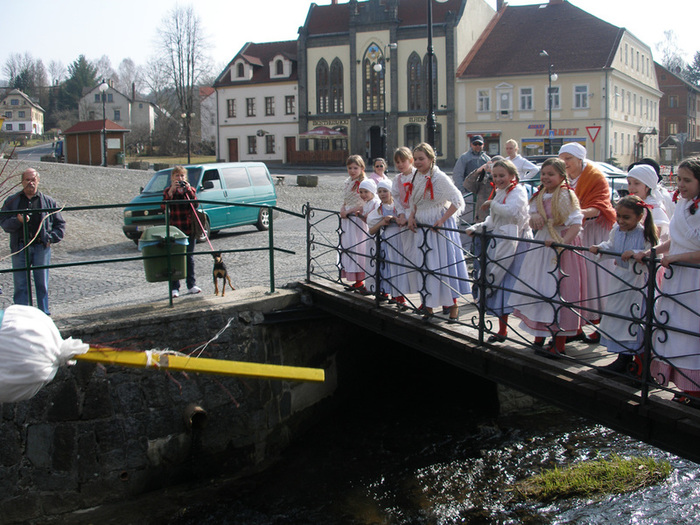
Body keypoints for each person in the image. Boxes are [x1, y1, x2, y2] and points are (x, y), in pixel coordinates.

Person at [634, 158, 700, 407]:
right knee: (674, 327)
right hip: (677, 277)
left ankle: (695, 388)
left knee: (691, 329)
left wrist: (676, 258)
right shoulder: (683, 204)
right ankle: (683, 384)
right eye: (679, 179)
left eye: (687, 180)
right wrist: (653, 252)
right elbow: (676, 238)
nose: (680, 185)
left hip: (694, 277)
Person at [508, 158, 587, 358]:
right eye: (543, 174)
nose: (545, 177)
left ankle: (559, 343)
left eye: (551, 174)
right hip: (543, 245)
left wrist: (563, 243)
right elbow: (531, 218)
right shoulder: (540, 195)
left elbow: (576, 224)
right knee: (540, 289)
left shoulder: (566, 196)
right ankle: (539, 336)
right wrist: (534, 217)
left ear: (561, 176)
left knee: (559, 291)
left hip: (560, 245)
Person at [589, 195, 657, 376]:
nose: (620, 221)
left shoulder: (644, 234)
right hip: (620, 279)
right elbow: (612, 246)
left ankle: (640, 363)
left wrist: (635, 253)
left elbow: (651, 254)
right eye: (618, 216)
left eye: (626, 217)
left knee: (634, 319)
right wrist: (600, 247)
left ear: (639, 217)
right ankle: (623, 357)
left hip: (637, 281)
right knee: (619, 317)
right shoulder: (616, 230)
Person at [466, 159, 532, 342]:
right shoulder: (501, 191)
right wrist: (478, 227)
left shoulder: (518, 191)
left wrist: (491, 204)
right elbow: (495, 220)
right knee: (500, 284)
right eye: (495, 176)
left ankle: (533, 332)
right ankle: (503, 330)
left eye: (502, 175)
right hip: (502, 241)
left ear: (512, 175)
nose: (498, 179)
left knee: (513, 286)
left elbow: (511, 212)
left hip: (516, 243)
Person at [558, 142, 616, 343]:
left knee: (596, 279)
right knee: (577, 279)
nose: (565, 163)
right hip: (574, 231)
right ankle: (575, 327)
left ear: (579, 159)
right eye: (562, 159)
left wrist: (575, 214)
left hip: (594, 231)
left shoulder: (594, 177)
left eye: (568, 159)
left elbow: (600, 206)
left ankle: (604, 326)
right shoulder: (563, 177)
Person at [407, 143, 470, 322]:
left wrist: (442, 220)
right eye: (415, 159)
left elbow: (457, 200)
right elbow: (414, 201)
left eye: (421, 159)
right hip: (422, 227)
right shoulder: (416, 176)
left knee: (443, 265)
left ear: (430, 159)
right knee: (425, 265)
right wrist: (411, 216)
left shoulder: (439, 177)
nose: (418, 162)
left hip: (437, 227)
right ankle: (428, 305)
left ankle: (452, 304)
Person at [0, 168, 66, 315]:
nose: (31, 183)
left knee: (42, 284)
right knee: (20, 284)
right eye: (27, 180)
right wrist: (17, 220)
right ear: (22, 182)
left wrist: (50, 238)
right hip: (20, 247)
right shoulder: (12, 201)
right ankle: (22, 316)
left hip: (41, 247)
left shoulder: (48, 201)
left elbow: (60, 225)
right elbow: (4, 223)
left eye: (33, 179)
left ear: (38, 181)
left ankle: (44, 314)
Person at [161, 166, 202, 298]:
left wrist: (188, 190)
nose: (180, 178)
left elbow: (195, 204)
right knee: (175, 258)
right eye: (177, 176)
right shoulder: (168, 191)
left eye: (182, 176)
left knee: (189, 257)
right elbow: (164, 207)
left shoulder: (190, 190)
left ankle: (191, 285)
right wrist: (171, 192)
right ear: (172, 177)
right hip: (175, 228)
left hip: (189, 227)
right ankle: (174, 287)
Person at [367, 179, 408, 308]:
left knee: (400, 267)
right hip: (387, 240)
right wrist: (382, 222)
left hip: (399, 239)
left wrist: (395, 219)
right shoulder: (379, 210)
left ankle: (400, 296)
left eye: (385, 191)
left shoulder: (398, 207)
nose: (382, 194)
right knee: (389, 267)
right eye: (379, 191)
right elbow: (371, 229)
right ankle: (392, 294)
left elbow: (404, 219)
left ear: (391, 192)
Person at [391, 147, 421, 297]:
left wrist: (412, 214)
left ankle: (424, 290)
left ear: (410, 160)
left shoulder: (418, 176)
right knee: (408, 253)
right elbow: (396, 200)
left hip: (417, 215)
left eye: (403, 161)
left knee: (420, 252)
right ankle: (413, 288)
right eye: (397, 162)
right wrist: (402, 214)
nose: (400, 165)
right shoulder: (397, 179)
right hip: (405, 215)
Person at [339, 155, 370, 292]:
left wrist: (349, 211)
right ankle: (357, 280)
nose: (352, 171)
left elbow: (365, 202)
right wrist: (343, 208)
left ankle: (363, 279)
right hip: (348, 219)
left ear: (361, 168)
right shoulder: (348, 182)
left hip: (358, 218)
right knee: (350, 246)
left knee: (359, 247)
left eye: (355, 168)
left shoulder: (364, 182)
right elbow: (346, 199)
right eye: (350, 168)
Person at [626, 164, 669, 242]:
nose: (631, 188)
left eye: (636, 183)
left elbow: (654, 238)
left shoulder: (655, 208)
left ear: (648, 186)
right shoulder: (631, 204)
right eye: (629, 183)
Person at [453, 135, 491, 224]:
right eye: (475, 144)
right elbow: (457, 174)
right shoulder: (464, 158)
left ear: (483, 145)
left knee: (481, 220)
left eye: (479, 144)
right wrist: (462, 191)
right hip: (468, 194)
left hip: (481, 196)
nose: (477, 146)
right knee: (466, 221)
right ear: (471, 144)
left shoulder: (487, 159)